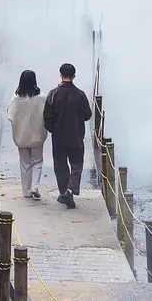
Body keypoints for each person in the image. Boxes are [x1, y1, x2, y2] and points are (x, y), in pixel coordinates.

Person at [42, 62, 92, 209]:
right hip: (76, 136)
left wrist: (53, 129)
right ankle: (70, 190)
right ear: (74, 76)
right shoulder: (80, 94)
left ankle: (64, 191)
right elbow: (87, 115)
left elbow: (47, 116)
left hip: (58, 137)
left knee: (60, 166)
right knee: (76, 165)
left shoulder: (53, 94)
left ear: (60, 75)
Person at [6, 69, 48, 199]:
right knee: (37, 161)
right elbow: (47, 114)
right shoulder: (41, 97)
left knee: (25, 163)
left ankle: (27, 191)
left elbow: (10, 115)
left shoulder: (16, 98)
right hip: (37, 134)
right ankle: (35, 186)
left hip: (22, 135)